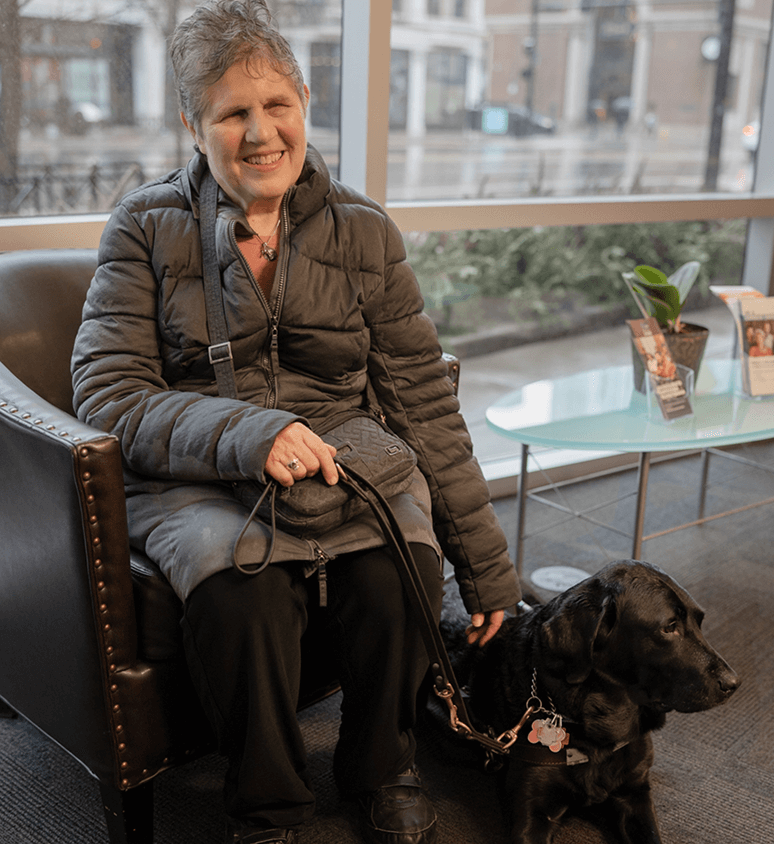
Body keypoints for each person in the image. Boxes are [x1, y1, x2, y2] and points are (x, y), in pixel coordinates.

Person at [70, 2, 521, 843]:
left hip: (346, 462)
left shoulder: (366, 231)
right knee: (243, 596)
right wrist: (248, 436)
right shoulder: (143, 227)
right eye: (232, 113)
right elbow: (110, 395)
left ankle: (382, 767)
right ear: (193, 127)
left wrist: (485, 569)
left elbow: (423, 401)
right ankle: (266, 805)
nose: (260, 132)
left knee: (404, 574)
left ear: (305, 100)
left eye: (275, 105)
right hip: (197, 475)